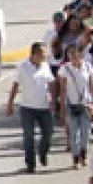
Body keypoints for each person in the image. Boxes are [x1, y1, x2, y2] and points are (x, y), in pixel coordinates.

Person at [6, 42, 56, 174]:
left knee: (48, 133)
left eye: (45, 53)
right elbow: (15, 85)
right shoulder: (23, 67)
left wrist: (53, 100)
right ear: (34, 54)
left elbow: (51, 83)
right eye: (42, 53)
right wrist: (10, 103)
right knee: (28, 136)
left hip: (44, 107)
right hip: (27, 108)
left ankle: (42, 151)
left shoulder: (45, 66)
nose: (44, 55)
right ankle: (30, 164)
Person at [58, 44, 93, 169]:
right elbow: (63, 89)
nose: (73, 56)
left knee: (86, 133)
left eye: (75, 53)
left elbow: (91, 85)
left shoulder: (87, 67)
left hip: (86, 104)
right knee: (74, 134)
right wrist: (62, 107)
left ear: (80, 54)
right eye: (70, 54)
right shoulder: (65, 69)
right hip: (71, 105)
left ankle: (83, 155)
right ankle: (75, 159)